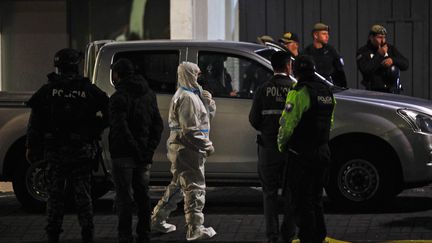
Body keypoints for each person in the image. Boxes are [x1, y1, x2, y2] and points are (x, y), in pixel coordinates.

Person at [25, 48, 109, 243]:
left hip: (55, 152)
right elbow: (109, 110)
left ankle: (53, 233)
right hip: (81, 151)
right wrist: (94, 130)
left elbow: (35, 121)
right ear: (75, 65)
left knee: (55, 195)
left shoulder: (48, 90)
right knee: (83, 194)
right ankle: (87, 232)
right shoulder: (88, 90)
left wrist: (31, 146)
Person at [151, 62, 217, 241]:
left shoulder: (189, 95)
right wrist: (206, 145)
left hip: (184, 147)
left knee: (178, 186)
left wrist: (208, 104)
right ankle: (195, 228)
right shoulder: (187, 97)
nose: (199, 77)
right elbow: (190, 130)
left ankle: (157, 219)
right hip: (188, 148)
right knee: (195, 186)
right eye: (196, 73)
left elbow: (203, 119)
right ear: (189, 74)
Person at [277, 55, 336, 243]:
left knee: (302, 200)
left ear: (296, 71)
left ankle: (308, 238)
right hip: (322, 151)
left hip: (302, 154)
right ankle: (319, 236)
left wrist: (282, 145)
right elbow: (330, 122)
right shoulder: (326, 91)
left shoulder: (299, 92)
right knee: (317, 199)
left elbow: (287, 123)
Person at [109, 58, 164, 243]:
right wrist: (148, 150)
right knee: (143, 196)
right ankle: (144, 233)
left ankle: (125, 236)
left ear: (118, 74)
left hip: (123, 154)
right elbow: (158, 124)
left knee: (124, 198)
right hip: (143, 155)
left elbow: (120, 128)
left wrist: (135, 150)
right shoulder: (149, 94)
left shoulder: (118, 97)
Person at [249, 51, 297, 243]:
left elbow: (254, 119)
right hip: (292, 149)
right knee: (290, 193)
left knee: (269, 193)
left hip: (268, 148)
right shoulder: (296, 89)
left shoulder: (263, 89)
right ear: (287, 66)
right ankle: (288, 234)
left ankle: (272, 236)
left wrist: (268, 131)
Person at [356, 24, 409, 93]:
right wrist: (379, 54)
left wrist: (392, 60)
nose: (383, 41)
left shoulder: (390, 49)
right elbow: (366, 70)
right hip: (374, 91)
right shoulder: (363, 51)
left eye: (384, 37)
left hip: (392, 90)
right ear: (371, 37)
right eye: (379, 37)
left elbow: (405, 64)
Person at [302, 23, 347, 87]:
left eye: (327, 34)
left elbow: (340, 72)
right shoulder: (307, 52)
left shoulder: (331, 50)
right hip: (312, 87)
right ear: (315, 35)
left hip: (328, 86)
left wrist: (342, 88)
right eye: (324, 34)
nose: (327, 36)